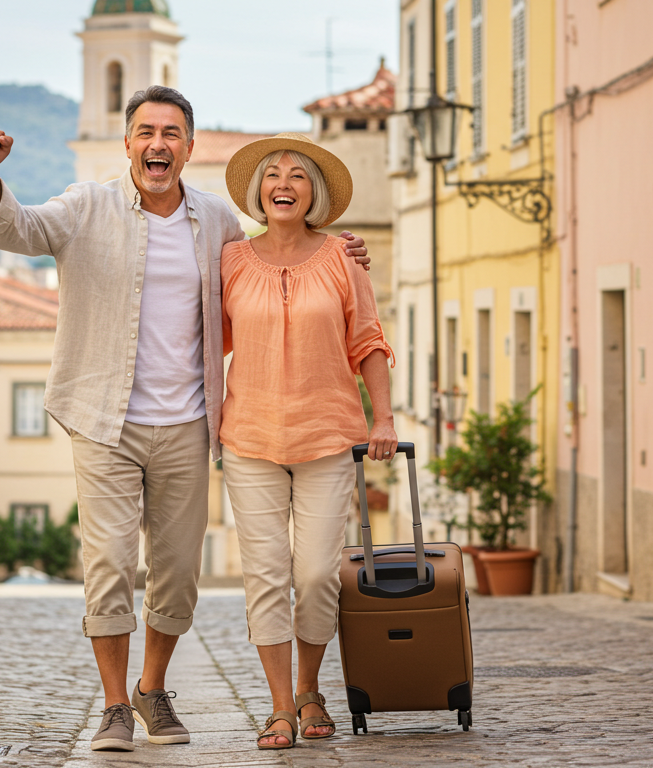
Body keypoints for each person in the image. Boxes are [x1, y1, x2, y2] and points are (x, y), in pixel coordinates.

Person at [0, 87, 369, 753]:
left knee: (178, 571)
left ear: (188, 147)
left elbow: (276, 273)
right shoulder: (86, 205)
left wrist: (341, 256)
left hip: (189, 422)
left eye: (172, 132)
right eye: (146, 131)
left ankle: (154, 689)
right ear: (128, 143)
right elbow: (20, 230)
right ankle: (116, 707)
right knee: (109, 563)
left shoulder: (217, 223)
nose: (159, 143)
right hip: (103, 418)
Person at [218, 133, 396, 749]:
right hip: (249, 437)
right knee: (266, 575)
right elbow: (206, 344)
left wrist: (384, 420)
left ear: (313, 194)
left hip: (327, 436)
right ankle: (279, 708)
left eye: (297, 176)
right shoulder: (231, 261)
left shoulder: (345, 260)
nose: (284, 184)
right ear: (257, 192)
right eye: (273, 175)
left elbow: (368, 342)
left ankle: (310, 688)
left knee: (318, 574)